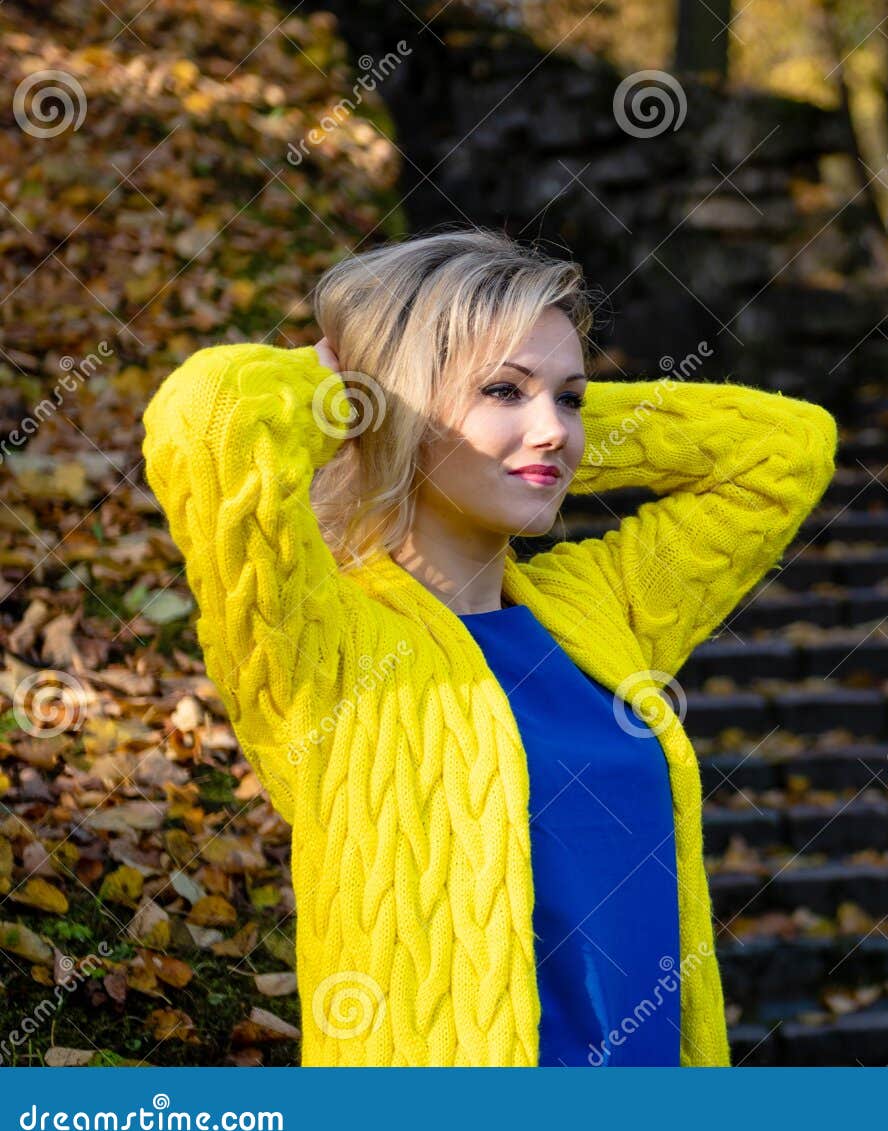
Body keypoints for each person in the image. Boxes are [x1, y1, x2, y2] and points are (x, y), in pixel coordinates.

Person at [139, 226, 839, 1065]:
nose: (554, 429)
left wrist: (528, 424)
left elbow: (784, 449)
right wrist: (364, 404)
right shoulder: (324, 646)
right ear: (386, 404)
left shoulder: (595, 611)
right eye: (504, 390)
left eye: (572, 398)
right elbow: (207, 421)